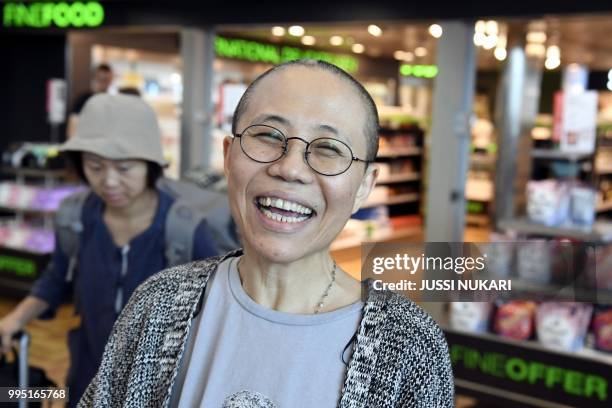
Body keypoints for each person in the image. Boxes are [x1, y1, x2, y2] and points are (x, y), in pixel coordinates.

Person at [78, 60, 454, 407]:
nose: (290, 168)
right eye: (269, 137)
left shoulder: (410, 348)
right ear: (228, 156)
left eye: (328, 148)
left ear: (363, 186)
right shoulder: (156, 305)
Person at [0, 94, 221, 406]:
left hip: (160, 389)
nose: (109, 181)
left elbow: (214, 312)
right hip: (87, 376)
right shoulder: (76, 217)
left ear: (151, 166)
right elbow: (55, 279)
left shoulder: (184, 230)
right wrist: (13, 320)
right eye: (95, 166)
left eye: (125, 168)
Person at [67, 64, 114, 138]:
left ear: (111, 80)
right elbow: (73, 125)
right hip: (85, 143)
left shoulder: (113, 102)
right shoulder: (83, 99)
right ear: (94, 78)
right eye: (100, 79)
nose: (103, 83)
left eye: (106, 80)